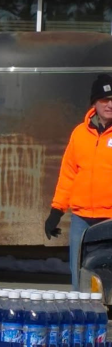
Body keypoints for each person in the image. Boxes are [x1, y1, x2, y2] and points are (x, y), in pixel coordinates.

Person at [46, 74, 112, 289]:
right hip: (81, 218)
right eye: (104, 99)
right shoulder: (79, 134)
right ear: (94, 102)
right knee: (79, 272)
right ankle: (82, 315)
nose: (109, 104)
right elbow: (68, 174)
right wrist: (56, 211)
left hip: (110, 217)